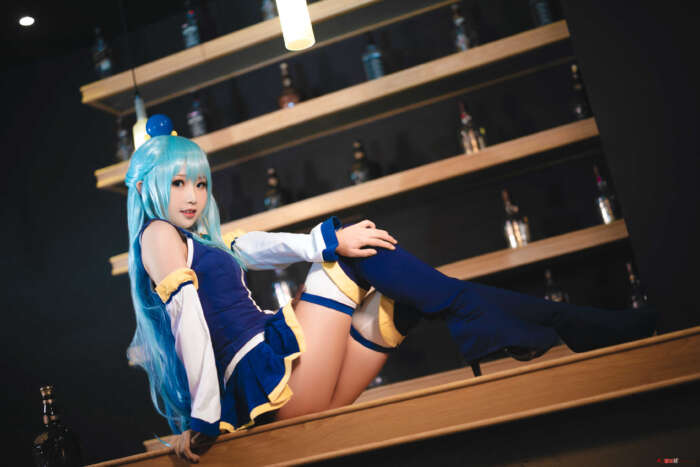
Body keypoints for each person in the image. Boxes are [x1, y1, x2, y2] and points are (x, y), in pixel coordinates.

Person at [125, 115, 658, 462]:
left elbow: (254, 246)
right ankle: (558, 323)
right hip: (272, 380)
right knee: (356, 258)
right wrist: (204, 418)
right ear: (148, 187)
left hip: (300, 387)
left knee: (400, 300)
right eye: (178, 183)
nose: (192, 196)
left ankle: (545, 323)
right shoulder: (157, 234)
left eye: (200, 183)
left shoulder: (201, 241)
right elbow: (188, 322)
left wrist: (323, 239)